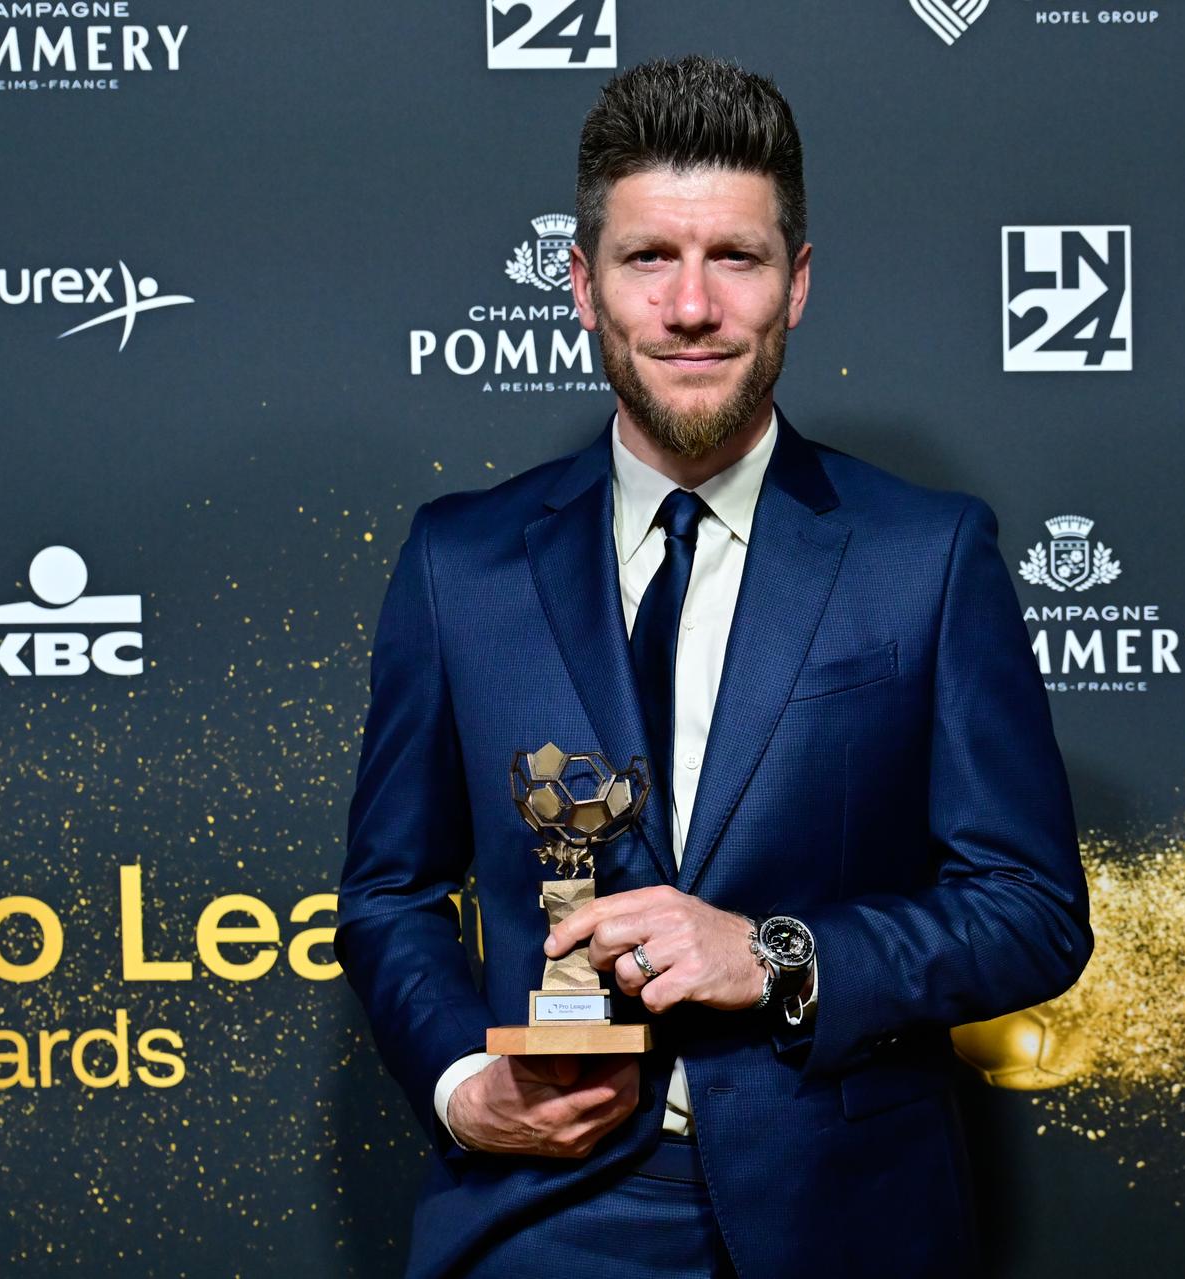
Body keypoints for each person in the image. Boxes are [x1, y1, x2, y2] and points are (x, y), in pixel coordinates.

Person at [337, 55, 1092, 1279]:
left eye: (735, 258)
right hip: (542, 1212)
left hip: (843, 1219)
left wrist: (780, 954)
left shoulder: (926, 556)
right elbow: (387, 894)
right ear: (583, 287)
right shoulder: (459, 565)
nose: (692, 307)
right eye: (649, 259)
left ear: (796, 285)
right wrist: (464, 1081)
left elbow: (1031, 911)